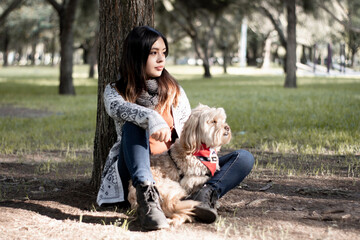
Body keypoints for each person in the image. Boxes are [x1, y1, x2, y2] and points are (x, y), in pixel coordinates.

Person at [96, 26, 254, 230]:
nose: (161, 59)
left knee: (243, 158)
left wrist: (208, 150)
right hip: (135, 167)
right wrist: (152, 117)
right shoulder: (114, 91)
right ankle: (148, 201)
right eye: (154, 53)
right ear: (136, 55)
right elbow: (122, 110)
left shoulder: (174, 89)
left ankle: (204, 195)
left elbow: (191, 129)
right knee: (132, 126)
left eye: (164, 53)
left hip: (177, 165)